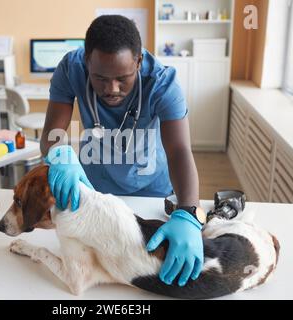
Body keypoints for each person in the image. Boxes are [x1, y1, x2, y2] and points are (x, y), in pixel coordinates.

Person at [40, 15, 204, 287]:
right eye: (100, 78)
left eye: (123, 78)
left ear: (138, 62)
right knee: (99, 271)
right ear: (86, 63)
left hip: (150, 185)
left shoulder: (163, 84)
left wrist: (188, 212)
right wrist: (60, 155)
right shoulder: (71, 69)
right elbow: (52, 133)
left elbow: (179, 150)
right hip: (96, 187)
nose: (111, 89)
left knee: (143, 264)